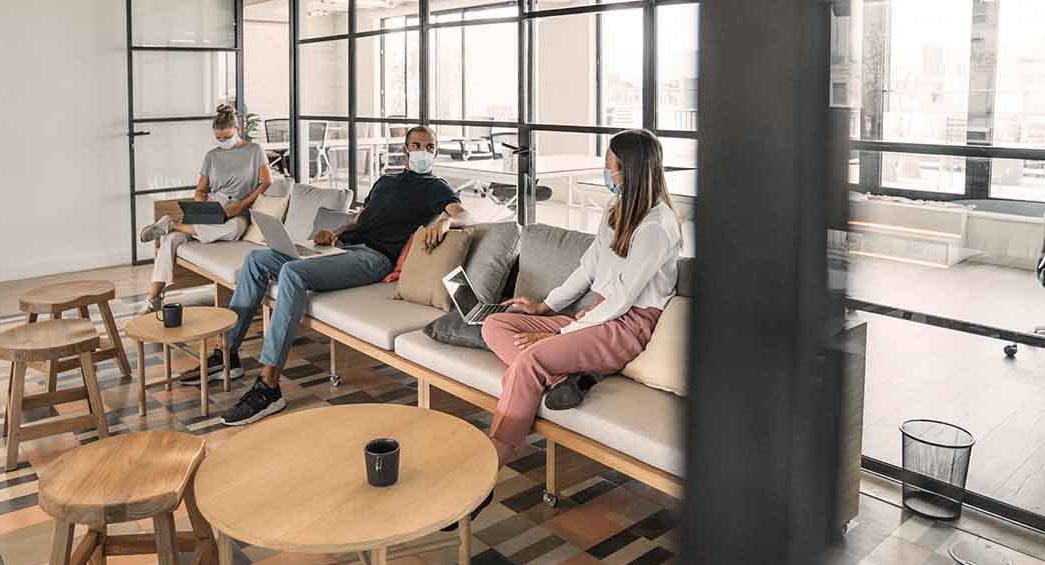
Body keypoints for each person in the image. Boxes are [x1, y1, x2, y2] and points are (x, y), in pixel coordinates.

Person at [183, 125, 473, 426]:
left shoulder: (435, 187)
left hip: (373, 259)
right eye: (417, 145)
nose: (423, 152)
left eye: (430, 147)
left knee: (292, 273)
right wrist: (333, 233)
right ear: (405, 149)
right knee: (256, 259)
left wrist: (444, 221)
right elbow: (360, 219)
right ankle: (227, 353)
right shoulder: (385, 182)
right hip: (342, 247)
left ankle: (268, 386)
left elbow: (463, 214)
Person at [481, 129, 683, 467]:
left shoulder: (657, 227)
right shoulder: (615, 208)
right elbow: (588, 267)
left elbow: (621, 300)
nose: (606, 174)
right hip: (593, 315)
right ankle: (566, 378)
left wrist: (557, 334)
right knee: (494, 324)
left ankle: (498, 452)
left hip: (626, 326)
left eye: (610, 167)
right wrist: (545, 307)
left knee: (529, 361)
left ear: (630, 171)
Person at [137, 104, 271, 313]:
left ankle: (173, 225)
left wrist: (242, 205)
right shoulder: (211, 156)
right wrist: (201, 202)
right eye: (219, 139)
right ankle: (153, 298)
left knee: (234, 230)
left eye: (226, 137)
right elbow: (200, 189)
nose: (223, 142)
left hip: (237, 209)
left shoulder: (255, 151)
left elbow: (266, 182)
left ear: (237, 129)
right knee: (169, 240)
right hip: (212, 205)